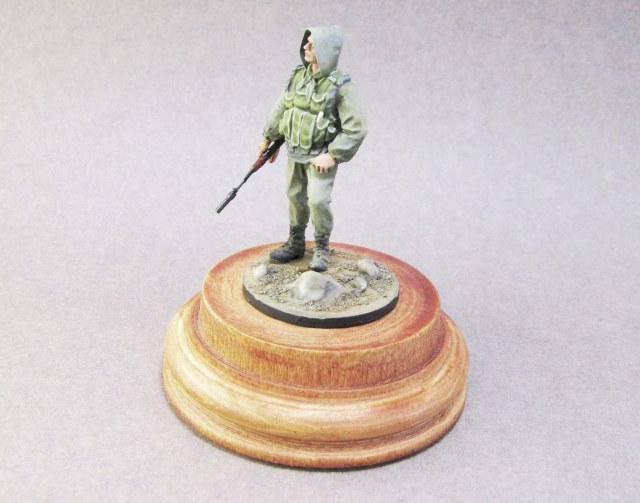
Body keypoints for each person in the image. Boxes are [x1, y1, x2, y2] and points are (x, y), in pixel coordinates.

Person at [258, 26, 367, 272]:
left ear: (327, 50)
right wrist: (268, 137)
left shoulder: (341, 85)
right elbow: (281, 106)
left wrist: (333, 155)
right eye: (306, 42)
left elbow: (356, 128)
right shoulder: (298, 76)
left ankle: (321, 247)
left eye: (313, 44)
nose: (306, 47)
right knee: (295, 197)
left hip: (319, 155)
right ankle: (296, 242)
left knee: (318, 200)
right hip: (294, 151)